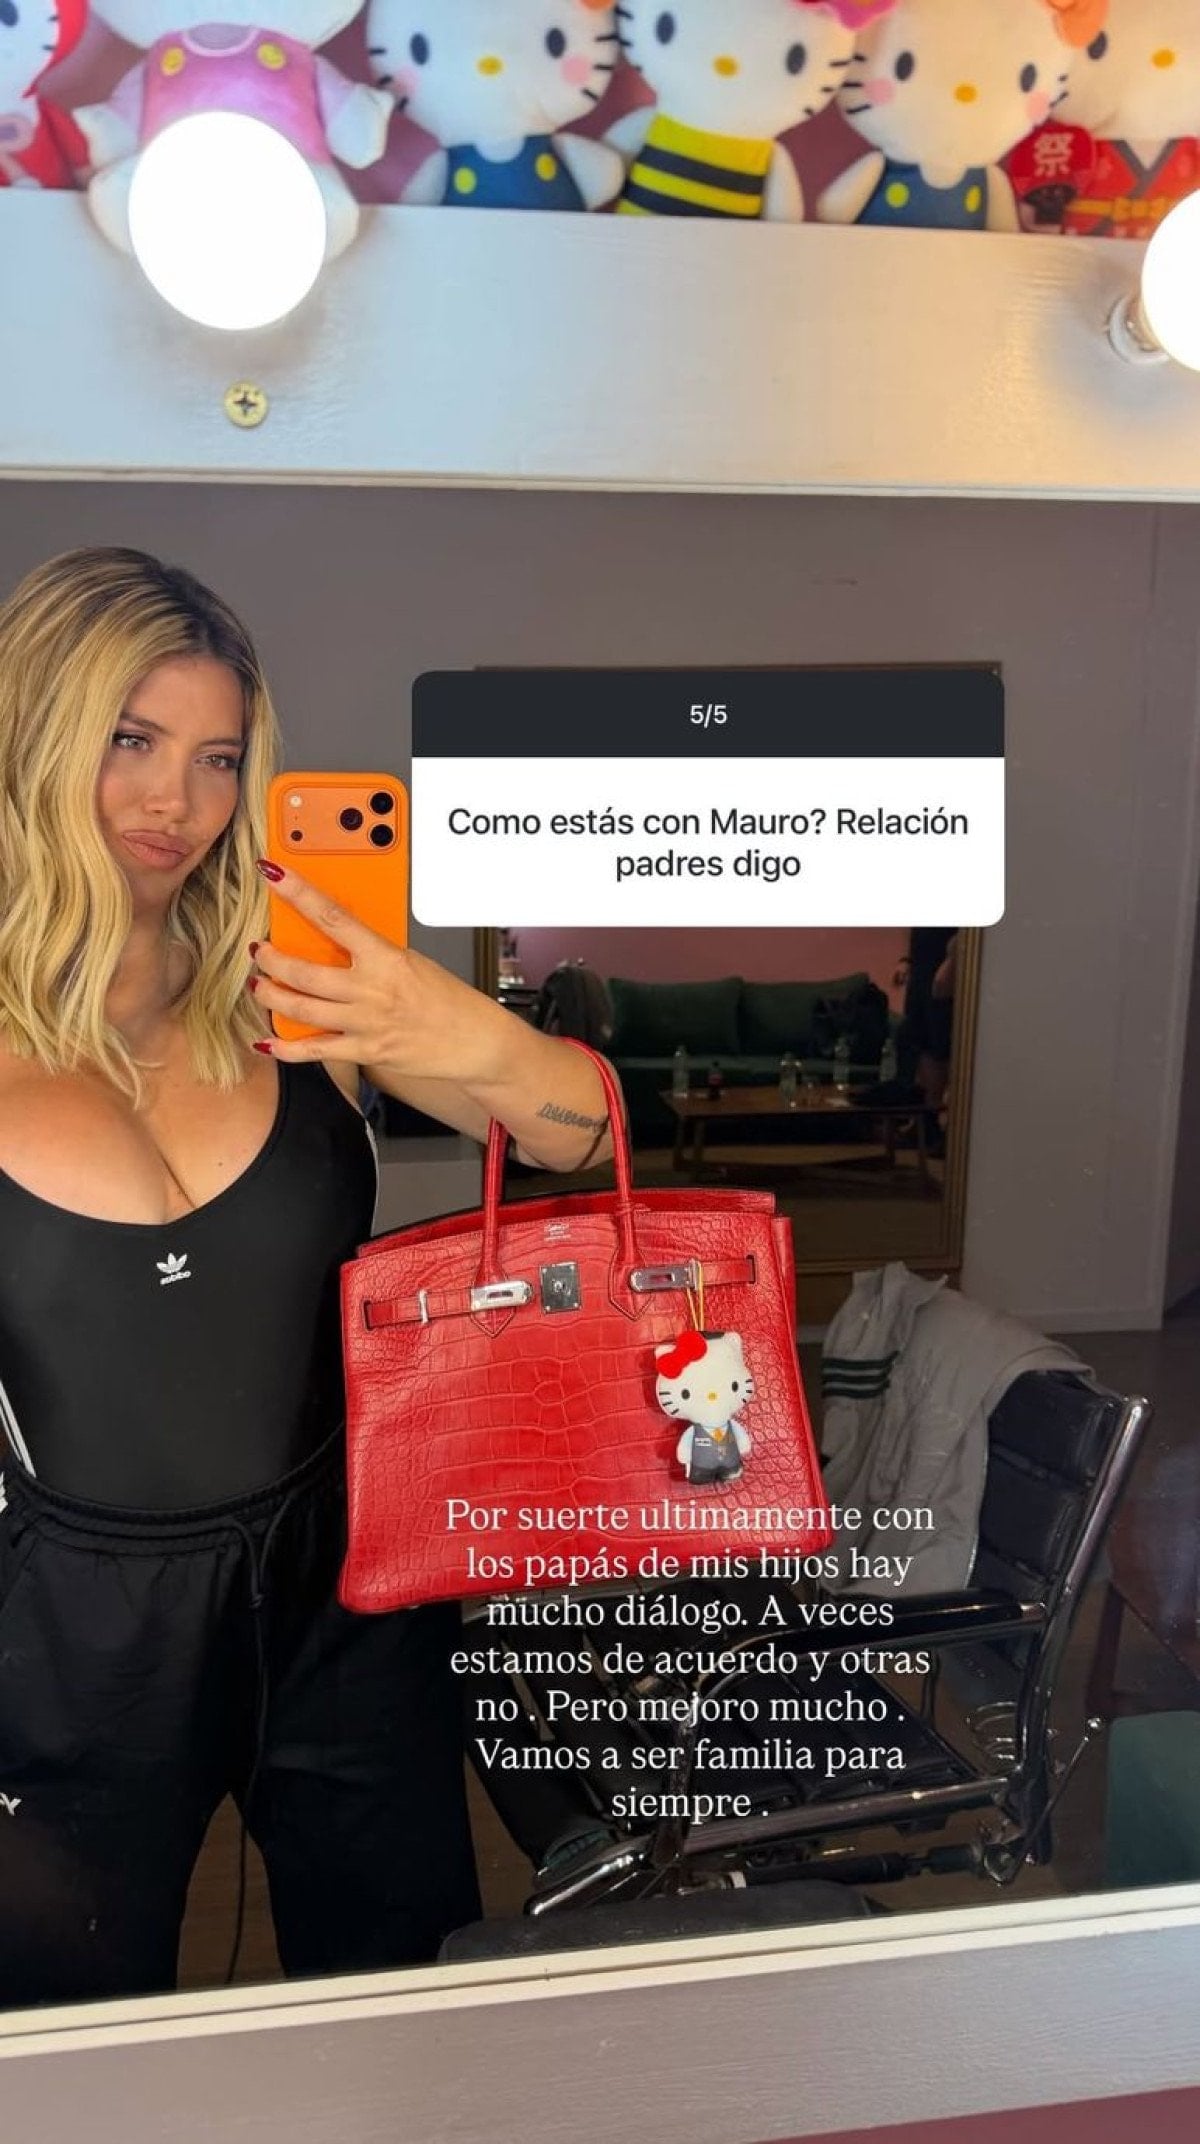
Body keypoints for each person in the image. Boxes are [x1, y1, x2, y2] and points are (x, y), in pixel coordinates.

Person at [0, 546, 612, 2007]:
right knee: (66, 2036)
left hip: (344, 1572)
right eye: (130, 740)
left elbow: (585, 1136)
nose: (176, 801)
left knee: (403, 1991)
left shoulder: (297, 994)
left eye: (218, 758)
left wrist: (449, 1024)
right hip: (73, 1624)